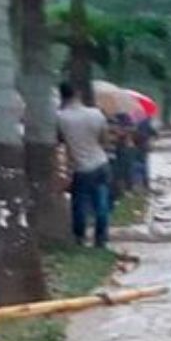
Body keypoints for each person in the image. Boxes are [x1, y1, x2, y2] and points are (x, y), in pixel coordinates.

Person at [56, 82, 112, 247]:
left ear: (62, 96)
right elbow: (105, 141)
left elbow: (59, 140)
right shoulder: (96, 114)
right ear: (78, 94)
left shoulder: (60, 118)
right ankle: (100, 240)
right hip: (100, 164)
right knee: (101, 205)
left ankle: (79, 238)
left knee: (79, 206)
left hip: (80, 168)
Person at [133, 116, 158, 191]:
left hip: (135, 146)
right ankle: (144, 184)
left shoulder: (136, 120)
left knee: (137, 165)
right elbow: (154, 133)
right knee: (143, 165)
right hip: (142, 146)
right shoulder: (145, 122)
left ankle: (139, 184)